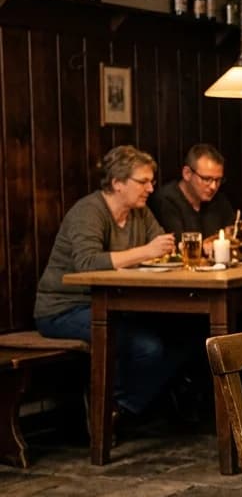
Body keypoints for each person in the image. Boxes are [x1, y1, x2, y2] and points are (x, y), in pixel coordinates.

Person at [33, 146, 188, 419]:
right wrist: (145, 252)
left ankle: (120, 408)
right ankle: (107, 411)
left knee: (182, 338)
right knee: (146, 346)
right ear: (117, 183)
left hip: (116, 305)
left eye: (152, 181)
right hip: (65, 309)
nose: (151, 188)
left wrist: (163, 251)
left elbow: (162, 246)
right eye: (143, 181)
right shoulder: (89, 212)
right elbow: (87, 263)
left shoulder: (139, 212)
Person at [148, 143, 239, 237]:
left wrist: (240, 231)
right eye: (206, 179)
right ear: (187, 173)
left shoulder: (218, 199)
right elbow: (179, 244)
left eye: (218, 180)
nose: (213, 186)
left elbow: (232, 231)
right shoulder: (165, 200)